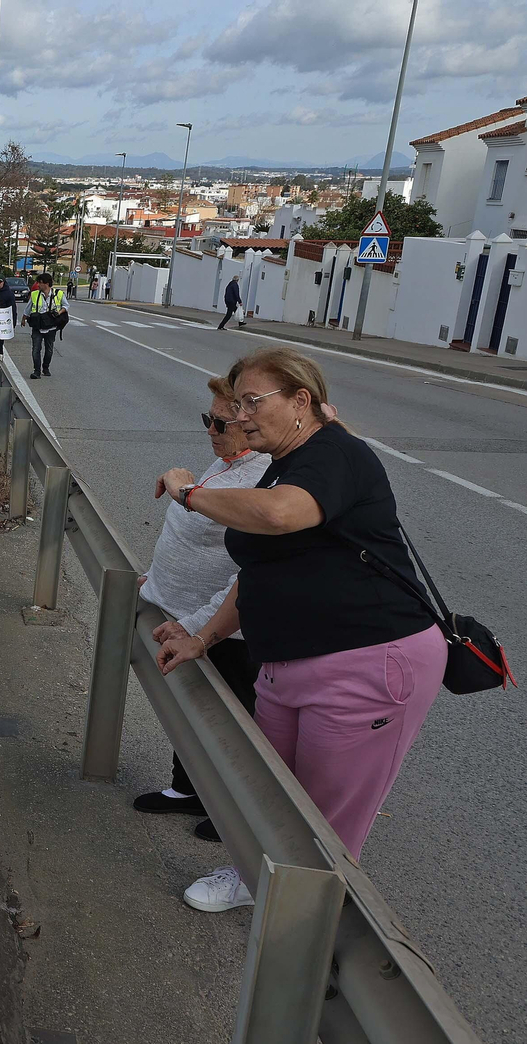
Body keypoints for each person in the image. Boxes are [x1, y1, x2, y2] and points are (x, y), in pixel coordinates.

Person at [154, 347, 447, 913]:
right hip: (285, 662)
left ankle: (307, 933)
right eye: (234, 405)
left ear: (301, 402)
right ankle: (250, 876)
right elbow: (259, 571)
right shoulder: (281, 463)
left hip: (368, 664)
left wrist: (191, 494)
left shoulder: (336, 455)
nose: (238, 417)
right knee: (269, 790)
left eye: (252, 403)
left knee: (325, 816)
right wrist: (202, 637)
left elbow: (281, 516)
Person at [132, 377, 270, 840]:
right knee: (191, 707)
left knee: (233, 721)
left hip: (221, 628)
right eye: (206, 418)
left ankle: (235, 810)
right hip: (186, 616)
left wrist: (196, 626)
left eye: (220, 421)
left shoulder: (261, 478)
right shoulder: (231, 460)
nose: (209, 429)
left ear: (250, 422)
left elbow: (244, 573)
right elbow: (195, 540)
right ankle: (189, 787)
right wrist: (158, 580)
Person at [22, 273, 67, 380]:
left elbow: (66, 305)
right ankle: (36, 371)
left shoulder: (58, 294)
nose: (38, 285)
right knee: (36, 349)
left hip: (51, 327)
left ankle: (45, 367)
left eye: (40, 283)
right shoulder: (35, 294)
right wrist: (23, 318)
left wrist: (59, 312)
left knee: (49, 349)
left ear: (46, 284)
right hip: (37, 326)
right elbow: (28, 308)